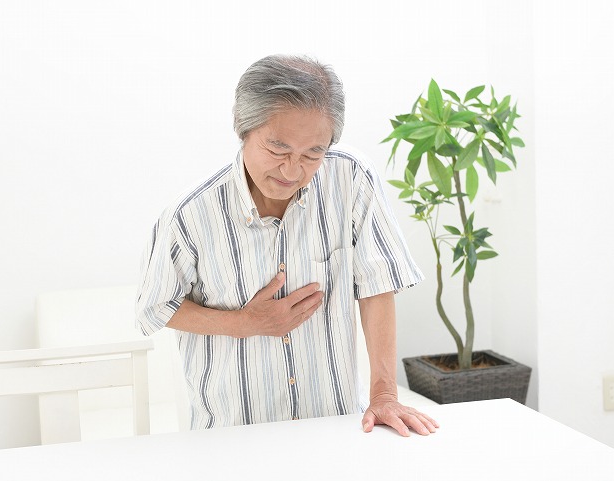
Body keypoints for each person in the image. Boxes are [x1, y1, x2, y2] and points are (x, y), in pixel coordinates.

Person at [136, 54, 439, 437]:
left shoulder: (351, 179)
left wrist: (384, 393)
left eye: (313, 153)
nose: (293, 171)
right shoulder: (190, 215)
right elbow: (155, 308)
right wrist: (244, 323)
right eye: (278, 149)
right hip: (231, 437)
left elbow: (378, 284)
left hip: (336, 428)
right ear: (243, 128)